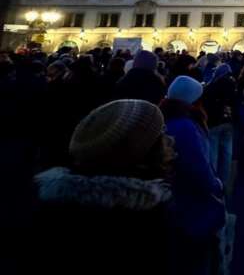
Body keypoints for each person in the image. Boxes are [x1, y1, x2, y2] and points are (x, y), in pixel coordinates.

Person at [30, 99, 175, 275]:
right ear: (142, 153)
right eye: (161, 133)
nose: (170, 139)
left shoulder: (53, 202)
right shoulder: (135, 219)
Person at [161, 76, 226, 275]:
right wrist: (216, 186)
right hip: (193, 210)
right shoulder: (186, 126)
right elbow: (198, 168)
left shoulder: (166, 117)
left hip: (177, 206)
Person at [202, 63, 238, 190]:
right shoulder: (232, 84)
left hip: (214, 122)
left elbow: (205, 103)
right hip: (229, 122)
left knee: (213, 152)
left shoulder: (211, 85)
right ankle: (224, 181)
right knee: (227, 152)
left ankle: (213, 180)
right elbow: (236, 102)